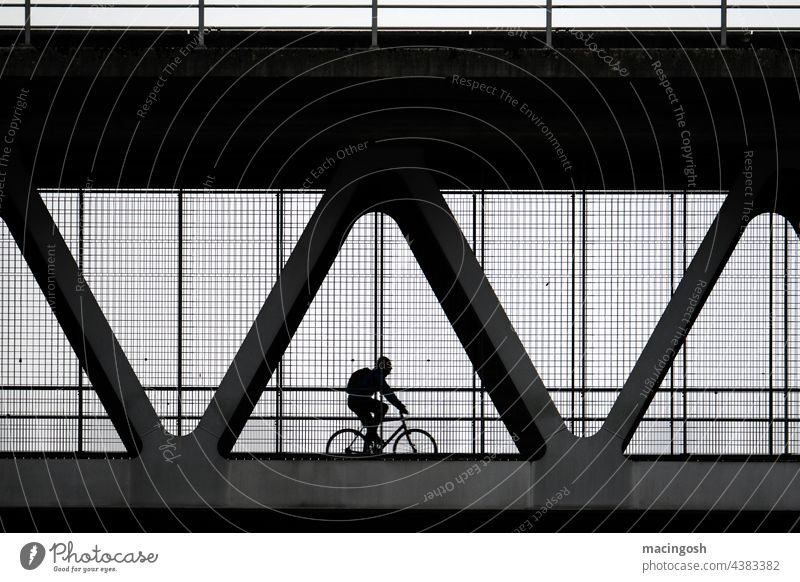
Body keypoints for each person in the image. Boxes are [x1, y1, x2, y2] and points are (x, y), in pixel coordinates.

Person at [346, 356, 409, 452]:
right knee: (383, 407)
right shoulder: (377, 375)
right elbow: (388, 393)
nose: (390, 369)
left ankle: (367, 449)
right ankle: (373, 437)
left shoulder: (375, 375)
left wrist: (398, 405)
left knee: (371, 425)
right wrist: (400, 406)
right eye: (388, 366)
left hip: (356, 401)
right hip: (359, 401)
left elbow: (386, 392)